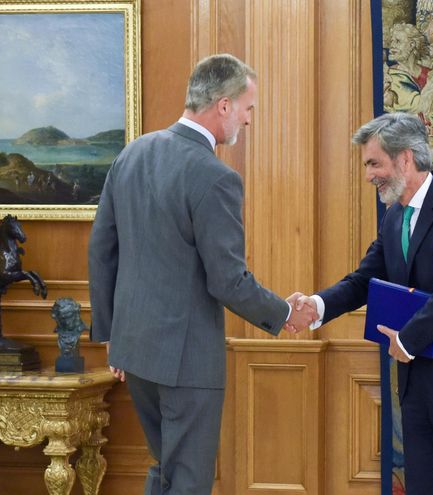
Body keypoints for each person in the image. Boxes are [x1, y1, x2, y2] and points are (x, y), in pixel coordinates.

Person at [88, 53, 318, 495]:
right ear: (224, 105)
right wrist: (285, 313)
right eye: (248, 108)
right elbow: (227, 280)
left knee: (166, 470)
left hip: (134, 351)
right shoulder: (215, 177)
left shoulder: (131, 154)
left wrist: (111, 334)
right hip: (186, 358)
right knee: (189, 481)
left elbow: (101, 250)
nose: (248, 120)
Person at [291, 112, 433, 494]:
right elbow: (365, 280)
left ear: (405, 159)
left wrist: (408, 340)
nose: (368, 175)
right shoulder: (395, 217)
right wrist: (318, 305)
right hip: (417, 387)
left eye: (374, 163)